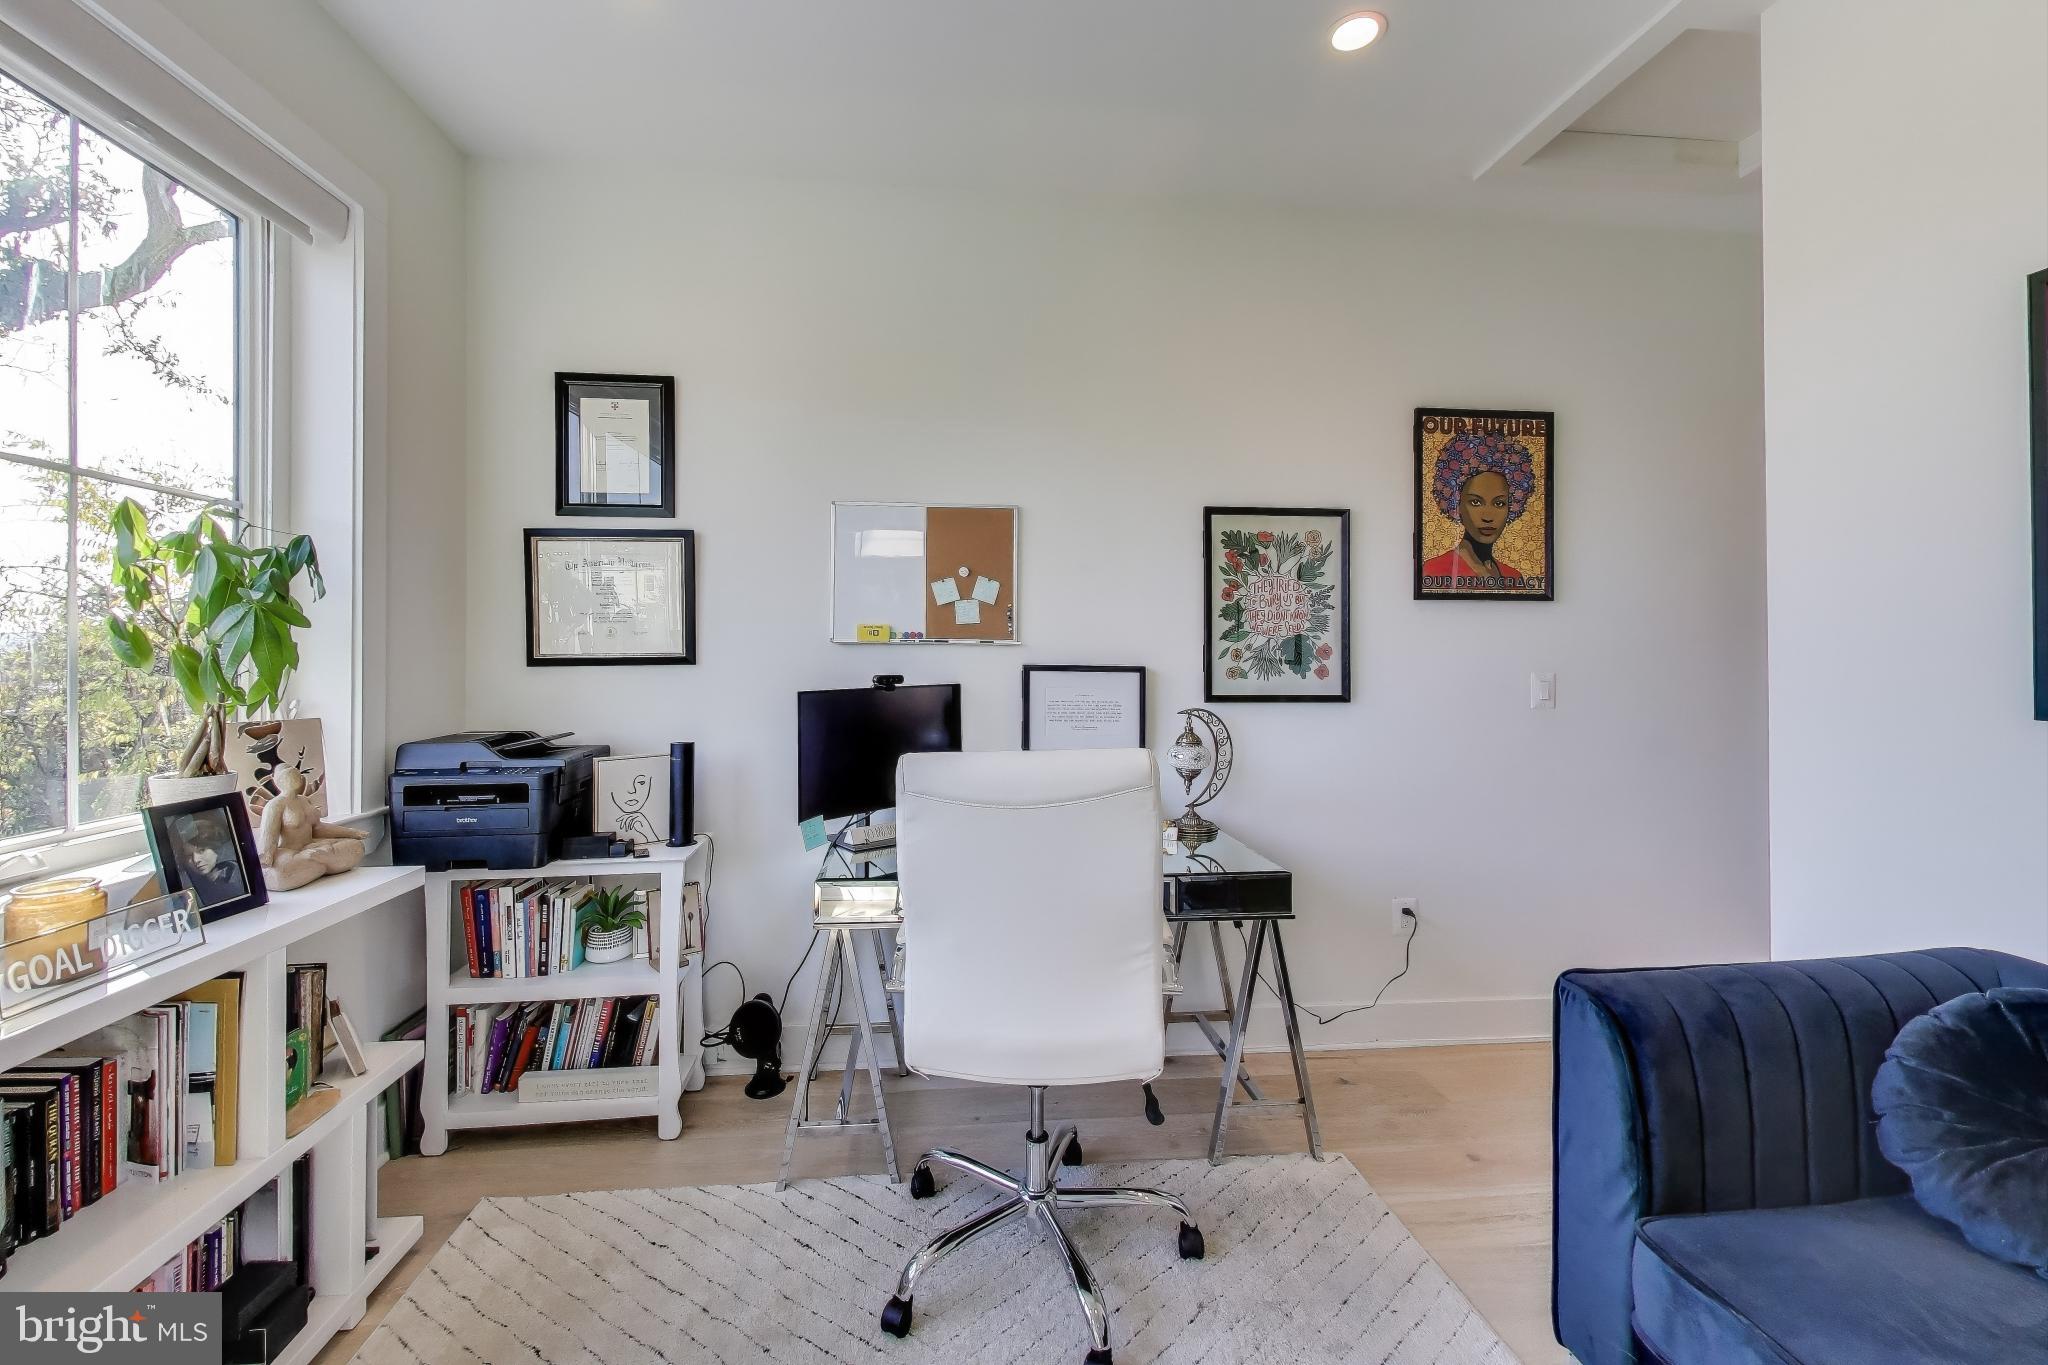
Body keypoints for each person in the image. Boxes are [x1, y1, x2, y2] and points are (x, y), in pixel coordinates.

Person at [1421, 429, 1538, 589]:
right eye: (1475, 502)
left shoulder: (1514, 577)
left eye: (1499, 503)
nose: (1488, 517)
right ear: (1456, 504)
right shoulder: (1435, 572)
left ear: (1513, 505)